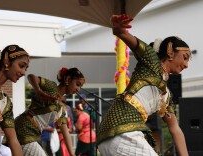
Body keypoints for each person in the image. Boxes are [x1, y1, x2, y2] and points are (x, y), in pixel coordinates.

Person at [97, 14, 190, 156]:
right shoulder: (151, 60)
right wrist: (118, 28)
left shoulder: (166, 96)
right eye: (185, 57)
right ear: (171, 51)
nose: (186, 65)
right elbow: (122, 34)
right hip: (123, 130)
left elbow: (174, 128)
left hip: (116, 134)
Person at [14, 67, 85, 156]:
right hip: (24, 128)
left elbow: (65, 131)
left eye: (80, 87)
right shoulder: (52, 87)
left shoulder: (62, 108)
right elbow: (31, 77)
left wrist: (72, 154)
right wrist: (39, 91)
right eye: (77, 84)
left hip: (33, 133)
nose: (78, 89)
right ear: (68, 79)